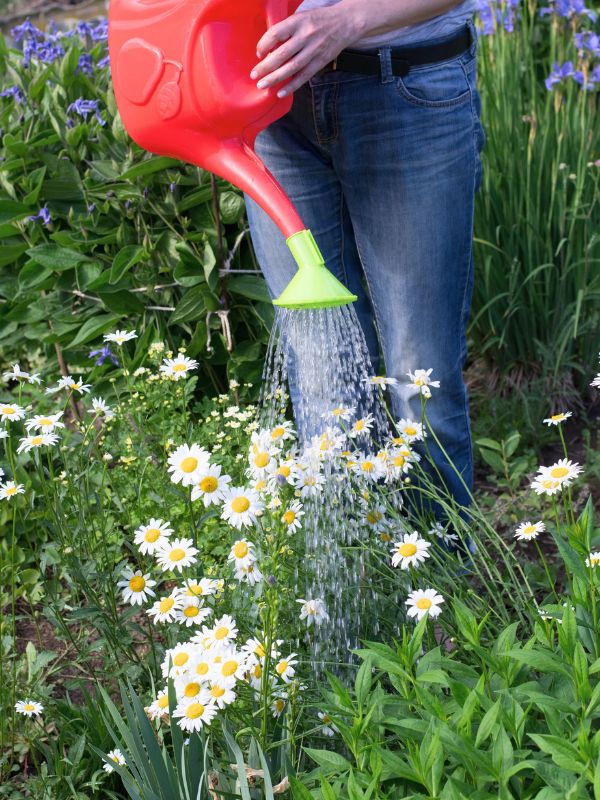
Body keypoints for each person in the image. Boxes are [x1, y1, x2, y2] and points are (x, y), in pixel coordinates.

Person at [243, 0, 486, 530]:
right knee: (324, 385)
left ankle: (441, 594)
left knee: (418, 381)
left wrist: (349, 19)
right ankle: (362, 598)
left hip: (406, 87)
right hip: (272, 107)